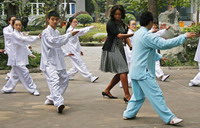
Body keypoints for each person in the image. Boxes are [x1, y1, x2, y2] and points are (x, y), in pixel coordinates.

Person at [123, 11, 196, 125]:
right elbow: (164, 44)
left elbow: (144, 51)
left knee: (138, 96)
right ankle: (169, 117)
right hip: (143, 72)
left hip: (135, 71)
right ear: (151, 22)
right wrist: (184, 36)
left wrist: (159, 56)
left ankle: (128, 114)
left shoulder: (137, 34)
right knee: (156, 95)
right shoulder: (147, 35)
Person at [40, 11, 79, 113]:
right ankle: (59, 103)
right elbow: (53, 42)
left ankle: (52, 98)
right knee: (55, 80)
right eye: (52, 19)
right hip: (49, 62)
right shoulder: (46, 32)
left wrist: (66, 53)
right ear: (48, 20)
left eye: (56, 19)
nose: (54, 21)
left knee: (65, 79)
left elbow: (59, 45)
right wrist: (69, 35)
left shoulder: (57, 32)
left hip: (58, 61)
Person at [100, 5, 133, 103]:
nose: (118, 16)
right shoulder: (110, 23)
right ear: (113, 14)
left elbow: (125, 37)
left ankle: (107, 90)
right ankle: (127, 96)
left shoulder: (122, 23)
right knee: (123, 71)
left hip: (119, 48)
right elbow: (119, 35)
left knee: (121, 72)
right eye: (116, 14)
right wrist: (133, 34)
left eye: (119, 14)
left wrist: (130, 45)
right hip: (111, 48)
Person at [1, 19, 40, 96]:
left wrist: (29, 53)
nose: (18, 26)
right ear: (13, 26)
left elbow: (24, 45)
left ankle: (7, 88)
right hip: (16, 59)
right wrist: (37, 37)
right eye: (16, 25)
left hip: (19, 58)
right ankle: (33, 89)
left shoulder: (19, 34)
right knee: (25, 73)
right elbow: (24, 40)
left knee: (15, 75)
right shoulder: (14, 35)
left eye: (20, 25)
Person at [62, 17, 99, 83]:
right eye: (74, 22)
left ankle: (66, 76)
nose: (76, 23)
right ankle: (90, 77)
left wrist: (79, 50)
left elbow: (78, 39)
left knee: (76, 67)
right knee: (81, 64)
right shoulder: (69, 30)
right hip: (71, 51)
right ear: (70, 23)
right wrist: (89, 27)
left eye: (76, 22)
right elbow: (80, 31)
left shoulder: (73, 30)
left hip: (75, 50)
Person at [119, 19, 136, 88]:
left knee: (130, 68)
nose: (134, 26)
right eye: (133, 24)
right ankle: (125, 83)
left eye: (135, 24)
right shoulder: (129, 33)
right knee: (129, 68)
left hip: (131, 52)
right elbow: (128, 41)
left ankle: (126, 82)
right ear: (128, 26)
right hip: (130, 53)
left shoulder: (132, 32)